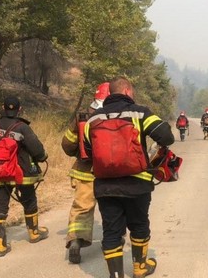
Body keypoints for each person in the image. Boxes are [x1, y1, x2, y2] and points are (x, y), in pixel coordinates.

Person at [84, 76, 175, 278]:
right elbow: (167, 137)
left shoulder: (92, 119)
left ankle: (116, 275)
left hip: (105, 186)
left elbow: (90, 151)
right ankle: (140, 268)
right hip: (137, 184)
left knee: (111, 232)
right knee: (139, 225)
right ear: (126, 91)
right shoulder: (140, 112)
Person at [0, 96, 49, 257]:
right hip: (21, 172)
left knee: (0, 206)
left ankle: (0, 244)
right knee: (29, 199)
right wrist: (43, 157)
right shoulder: (22, 127)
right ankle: (34, 233)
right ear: (19, 109)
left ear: (3, 107)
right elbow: (37, 150)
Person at [61, 82, 110, 264]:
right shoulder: (116, 115)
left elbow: (67, 145)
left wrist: (79, 151)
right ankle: (113, 240)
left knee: (82, 207)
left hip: (84, 171)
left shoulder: (82, 117)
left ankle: (75, 240)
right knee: (111, 208)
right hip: (108, 173)